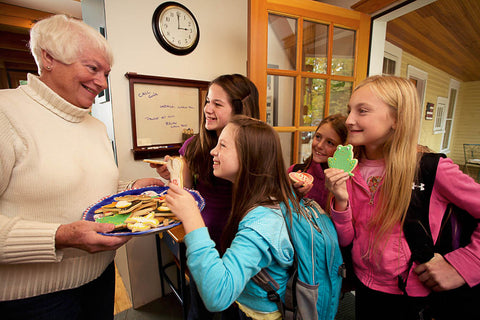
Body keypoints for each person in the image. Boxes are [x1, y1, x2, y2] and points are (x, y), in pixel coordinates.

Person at [0, 14, 161, 319]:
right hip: (31, 301)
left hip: (100, 279)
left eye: (106, 72)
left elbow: (96, 191)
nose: (102, 82)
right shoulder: (5, 114)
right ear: (48, 58)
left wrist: (131, 190)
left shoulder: (94, 125)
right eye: (92, 68)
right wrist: (62, 236)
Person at [325, 75, 480, 320]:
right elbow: (346, 239)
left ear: (397, 119)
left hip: (414, 296)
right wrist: (340, 201)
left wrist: (465, 264)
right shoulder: (349, 168)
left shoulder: (431, 169)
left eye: (362, 110)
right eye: (349, 110)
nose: (349, 120)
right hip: (364, 287)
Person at [165, 115, 299, 320]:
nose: (213, 151)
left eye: (223, 145)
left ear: (249, 156)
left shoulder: (262, 224)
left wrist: (192, 217)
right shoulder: (263, 197)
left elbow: (217, 296)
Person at [149, 74, 259, 319]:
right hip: (201, 236)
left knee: (237, 306)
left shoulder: (254, 149)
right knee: (200, 305)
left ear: (240, 110)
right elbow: (187, 191)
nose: (207, 109)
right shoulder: (194, 146)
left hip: (238, 239)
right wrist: (174, 174)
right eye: (207, 101)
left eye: (218, 104)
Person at [287, 114, 347, 209]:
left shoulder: (346, 184)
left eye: (330, 142)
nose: (319, 145)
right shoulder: (294, 171)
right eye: (318, 137)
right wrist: (292, 195)